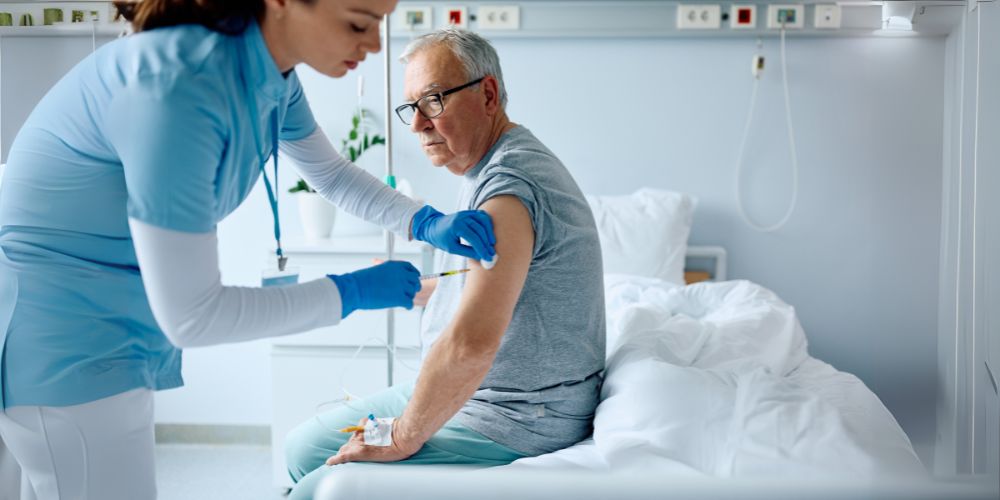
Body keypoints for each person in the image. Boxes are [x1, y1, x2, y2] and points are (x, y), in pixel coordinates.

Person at [0, 2, 498, 499]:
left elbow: (328, 173)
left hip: (111, 318)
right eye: (358, 22)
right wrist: (351, 292)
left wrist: (424, 220)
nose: (373, 44)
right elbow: (194, 316)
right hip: (61, 331)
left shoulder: (269, 77)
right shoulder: (177, 87)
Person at [283, 28, 606, 499]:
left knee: (324, 485)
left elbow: (472, 345)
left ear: (488, 94)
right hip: (478, 394)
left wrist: (401, 436)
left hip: (512, 415)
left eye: (434, 100)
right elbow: (504, 289)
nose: (416, 124)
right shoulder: (486, 162)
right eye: (410, 106)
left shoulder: (508, 190)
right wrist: (419, 288)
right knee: (301, 448)